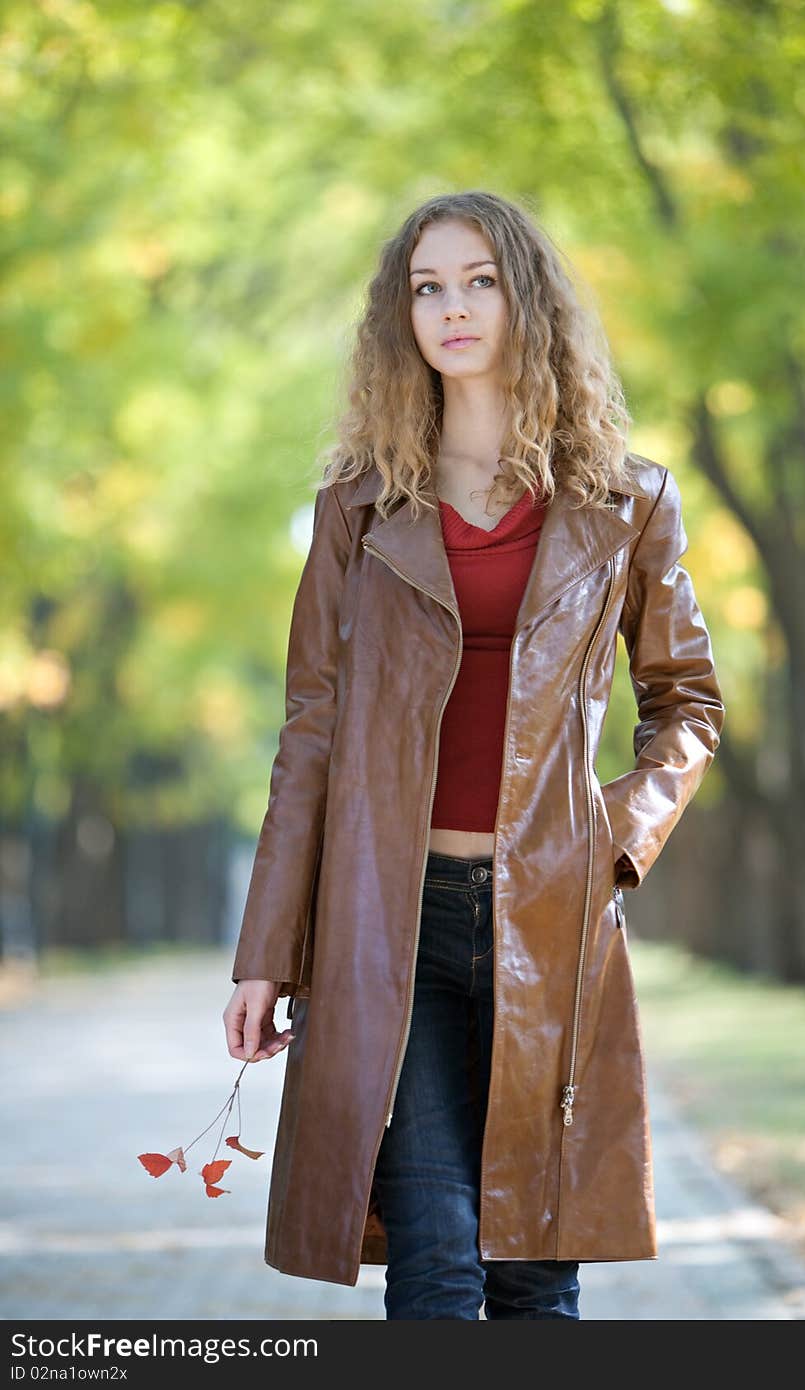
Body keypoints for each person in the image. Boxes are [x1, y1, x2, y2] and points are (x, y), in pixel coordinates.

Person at [223, 190, 724, 1318]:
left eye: (479, 280)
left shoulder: (625, 502)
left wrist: (615, 838)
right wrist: (267, 949)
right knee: (437, 1258)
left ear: (526, 299)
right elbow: (309, 732)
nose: (451, 308)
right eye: (426, 287)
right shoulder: (358, 510)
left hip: (549, 918)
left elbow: (687, 701)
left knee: (534, 1272)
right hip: (386, 923)